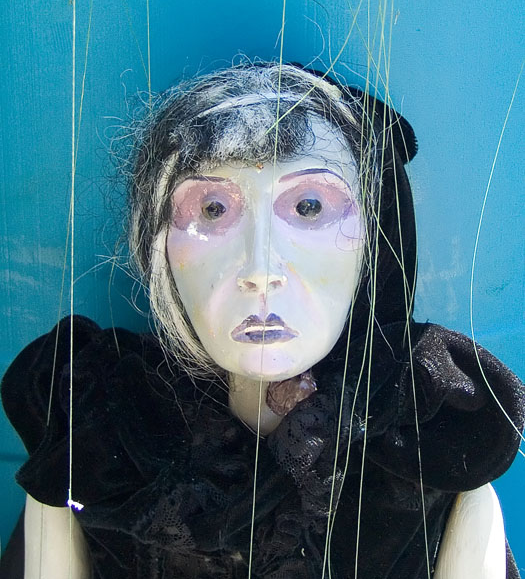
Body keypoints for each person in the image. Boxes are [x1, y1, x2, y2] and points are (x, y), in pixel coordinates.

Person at [1, 63, 524, 578]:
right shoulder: (91, 438)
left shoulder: (431, 450)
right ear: (156, 243)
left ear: (374, 240)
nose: (260, 270)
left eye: (310, 206)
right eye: (212, 209)